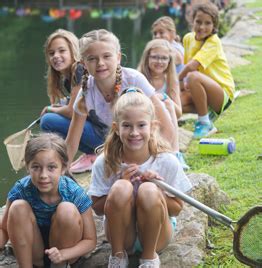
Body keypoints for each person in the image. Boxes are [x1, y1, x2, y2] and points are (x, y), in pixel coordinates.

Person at [88, 88, 192, 268]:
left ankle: (149, 258)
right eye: (127, 125)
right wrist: (121, 184)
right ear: (116, 128)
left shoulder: (166, 161)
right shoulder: (104, 162)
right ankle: (118, 256)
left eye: (141, 125)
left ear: (152, 127)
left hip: (156, 236)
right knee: (121, 188)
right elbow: (97, 208)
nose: (134, 132)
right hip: (121, 235)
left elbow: (176, 209)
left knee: (149, 190)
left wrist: (158, 191)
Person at [65, 29, 176, 168]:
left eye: (107, 56)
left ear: (118, 57)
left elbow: (167, 130)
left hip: (148, 144)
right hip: (120, 145)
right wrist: (62, 172)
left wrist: (156, 161)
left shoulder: (135, 80)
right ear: (83, 63)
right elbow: (71, 142)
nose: (100, 63)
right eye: (92, 58)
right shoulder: (86, 92)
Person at [0, 133, 96, 268]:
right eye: (36, 167)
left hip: (64, 253)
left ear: (63, 168)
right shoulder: (21, 189)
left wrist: (63, 254)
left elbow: (90, 240)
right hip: (34, 252)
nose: (43, 175)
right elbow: (4, 229)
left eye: (51, 167)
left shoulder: (74, 192)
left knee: (67, 210)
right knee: (17, 207)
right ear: (27, 167)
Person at [39, 29, 96, 174]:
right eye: (51, 53)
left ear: (73, 51)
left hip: (103, 134)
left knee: (47, 120)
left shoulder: (79, 69)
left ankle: (94, 152)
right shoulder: (67, 78)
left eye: (61, 51)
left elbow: (72, 112)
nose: (56, 56)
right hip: (97, 130)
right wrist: (61, 105)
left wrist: (50, 109)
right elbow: (76, 103)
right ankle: (92, 153)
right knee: (54, 114)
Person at [178, 2, 235, 139]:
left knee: (193, 76)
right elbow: (187, 65)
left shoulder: (213, 41)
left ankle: (204, 122)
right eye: (198, 22)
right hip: (201, 87)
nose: (202, 27)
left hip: (222, 93)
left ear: (214, 26)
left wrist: (177, 79)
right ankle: (205, 115)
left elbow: (192, 67)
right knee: (175, 103)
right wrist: (180, 88)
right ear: (192, 20)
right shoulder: (187, 39)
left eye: (208, 23)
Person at [137, 38, 189, 170]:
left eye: (164, 58)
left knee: (169, 104)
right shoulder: (138, 78)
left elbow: (178, 113)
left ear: (169, 61)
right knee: (166, 104)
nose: (159, 62)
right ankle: (175, 153)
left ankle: (175, 153)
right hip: (143, 121)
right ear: (147, 58)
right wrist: (154, 99)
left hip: (164, 123)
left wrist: (163, 99)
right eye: (155, 57)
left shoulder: (171, 80)